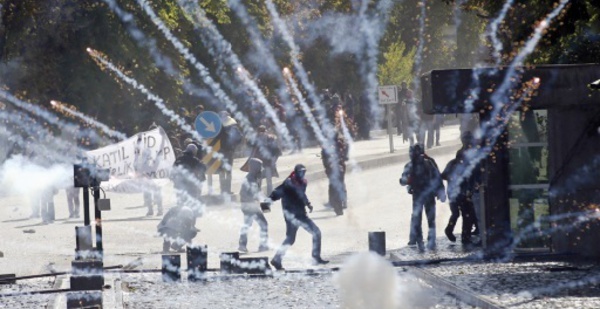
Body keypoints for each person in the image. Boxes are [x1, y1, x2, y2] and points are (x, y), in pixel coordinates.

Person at [268, 164, 329, 270]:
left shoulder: (303, 182)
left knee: (316, 233)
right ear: (295, 172)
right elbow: (277, 192)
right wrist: (268, 201)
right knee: (290, 239)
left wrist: (308, 203)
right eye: (300, 172)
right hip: (291, 216)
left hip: (301, 214)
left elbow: (302, 194)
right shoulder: (288, 182)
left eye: (303, 172)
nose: (302, 174)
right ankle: (276, 259)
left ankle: (315, 257)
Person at [399, 144, 446, 251]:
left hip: (420, 195)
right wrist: (441, 192)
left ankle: (421, 241)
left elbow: (403, 180)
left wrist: (405, 181)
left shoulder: (414, 165)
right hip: (425, 194)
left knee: (419, 218)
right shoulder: (428, 163)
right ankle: (428, 241)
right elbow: (437, 178)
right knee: (427, 219)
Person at [441, 132, 481, 246]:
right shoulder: (465, 165)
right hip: (461, 193)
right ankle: (464, 236)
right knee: (466, 214)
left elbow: (443, 175)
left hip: (456, 193)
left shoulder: (453, 164)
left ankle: (455, 231)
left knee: (459, 214)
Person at [238, 158, 269, 253]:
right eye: (260, 167)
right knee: (262, 224)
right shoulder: (249, 179)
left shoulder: (255, 178)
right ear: (256, 168)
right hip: (249, 206)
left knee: (248, 225)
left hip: (251, 206)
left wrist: (264, 203)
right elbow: (243, 194)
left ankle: (243, 245)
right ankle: (261, 246)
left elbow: (258, 193)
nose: (261, 169)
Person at [242, 125, 281, 195]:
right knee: (259, 180)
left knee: (267, 180)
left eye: (263, 131)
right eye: (260, 132)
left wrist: (274, 161)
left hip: (267, 162)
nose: (262, 133)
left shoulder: (270, 139)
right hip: (259, 163)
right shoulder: (256, 139)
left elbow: (277, 151)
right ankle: (260, 195)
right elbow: (249, 144)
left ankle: (268, 194)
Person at [171, 144, 206, 213]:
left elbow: (173, 170)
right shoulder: (194, 160)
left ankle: (179, 214)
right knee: (191, 201)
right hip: (190, 184)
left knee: (180, 201)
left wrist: (174, 180)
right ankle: (190, 214)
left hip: (179, 184)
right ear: (194, 152)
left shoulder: (179, 159)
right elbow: (203, 168)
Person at [321, 131, 348, 215]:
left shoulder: (329, 146)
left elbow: (324, 158)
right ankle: (341, 201)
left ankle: (336, 203)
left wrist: (327, 167)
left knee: (334, 186)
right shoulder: (341, 143)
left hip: (334, 169)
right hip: (339, 168)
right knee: (340, 184)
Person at [218, 111, 242, 196]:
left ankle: (222, 190)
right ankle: (227, 190)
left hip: (219, 152)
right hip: (229, 151)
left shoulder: (218, 126)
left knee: (221, 171)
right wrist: (234, 145)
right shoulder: (232, 126)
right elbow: (239, 137)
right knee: (228, 171)